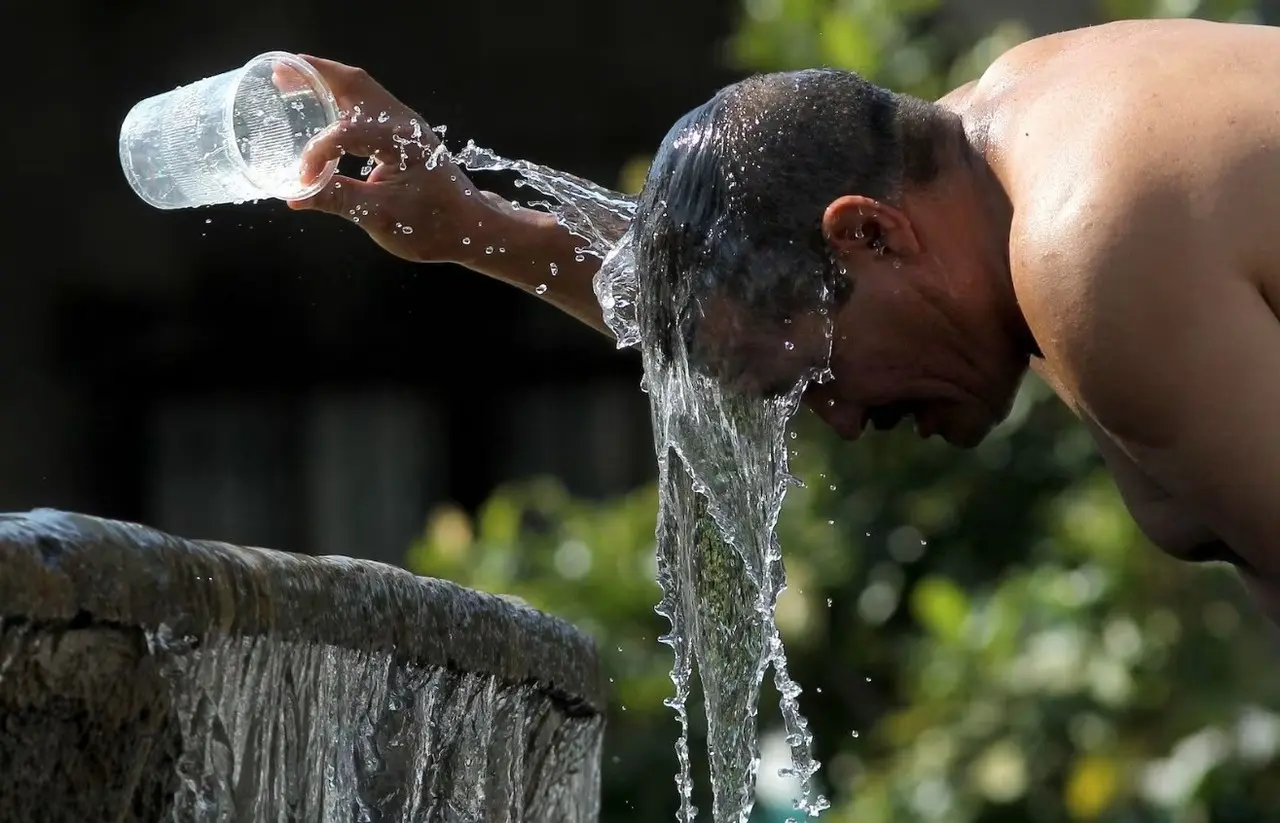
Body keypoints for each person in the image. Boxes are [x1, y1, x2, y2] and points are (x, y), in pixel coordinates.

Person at [287, 17, 1280, 625]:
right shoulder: (1000, 134)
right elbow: (728, 292)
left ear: (872, 236)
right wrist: (470, 224)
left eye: (812, 378)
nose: (838, 421)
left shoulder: (1086, 254)